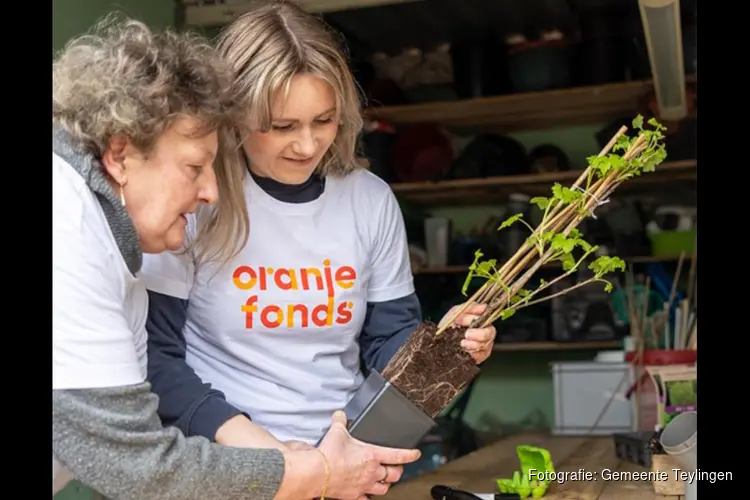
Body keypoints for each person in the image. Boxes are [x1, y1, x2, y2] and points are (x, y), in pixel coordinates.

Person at [52, 15, 420, 500]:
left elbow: (131, 445)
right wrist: (309, 473)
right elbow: (136, 463)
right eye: (194, 167)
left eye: (323, 120)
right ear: (120, 155)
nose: (210, 190)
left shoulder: (109, 237)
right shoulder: (71, 229)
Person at [142, 0, 497, 452]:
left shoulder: (369, 200)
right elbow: (158, 360)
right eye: (281, 125)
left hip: (345, 453)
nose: (307, 145)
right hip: (225, 457)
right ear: (233, 114)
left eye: (323, 120)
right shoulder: (198, 199)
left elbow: (387, 339)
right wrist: (271, 457)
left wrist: (440, 350)